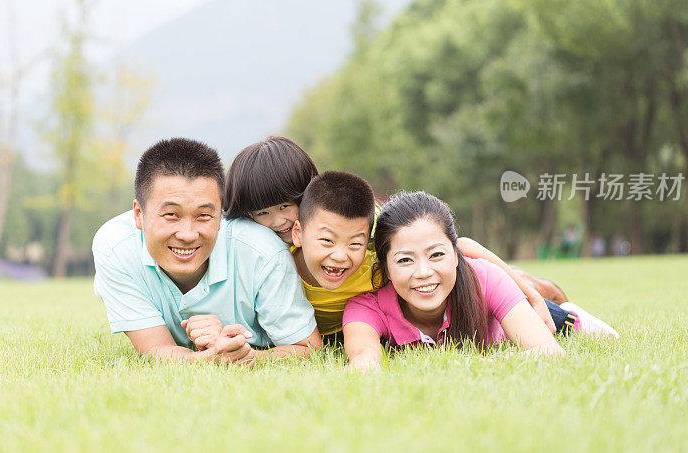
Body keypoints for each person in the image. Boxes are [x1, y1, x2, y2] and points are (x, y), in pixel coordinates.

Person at [224, 136, 571, 335]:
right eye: (261, 213)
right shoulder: (264, 255)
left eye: (287, 205)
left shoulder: (359, 225)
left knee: (547, 309)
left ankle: (537, 286)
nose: (279, 222)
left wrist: (528, 295)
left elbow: (459, 248)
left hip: (425, 295)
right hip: (364, 326)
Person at [92, 138, 321, 365]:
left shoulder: (264, 251)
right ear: (138, 214)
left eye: (203, 215)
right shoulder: (114, 246)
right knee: (102, 284)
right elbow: (156, 349)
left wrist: (251, 356)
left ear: (221, 215)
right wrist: (214, 357)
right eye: (171, 215)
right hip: (117, 276)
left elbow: (308, 348)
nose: (188, 234)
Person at [342, 192, 618, 371]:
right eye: (405, 260)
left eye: (437, 255)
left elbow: (546, 351)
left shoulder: (483, 277)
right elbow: (363, 358)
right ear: (386, 267)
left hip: (537, 313)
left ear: (456, 254)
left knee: (554, 313)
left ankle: (571, 314)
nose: (423, 272)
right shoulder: (365, 308)